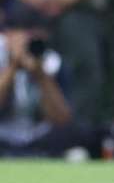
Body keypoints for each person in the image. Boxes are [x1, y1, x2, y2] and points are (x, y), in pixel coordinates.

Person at [0, 23, 87, 157]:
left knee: (74, 134)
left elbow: (62, 119)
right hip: (3, 138)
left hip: (40, 140)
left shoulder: (52, 62)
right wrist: (12, 66)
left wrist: (40, 75)